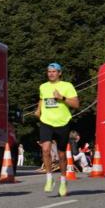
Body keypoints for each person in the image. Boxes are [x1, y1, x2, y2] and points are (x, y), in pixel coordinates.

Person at [35, 62, 79, 196]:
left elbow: (76, 104)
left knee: (61, 154)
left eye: (54, 71)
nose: (51, 74)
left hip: (62, 122)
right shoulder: (43, 86)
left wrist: (62, 98)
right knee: (45, 149)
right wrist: (38, 110)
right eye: (49, 71)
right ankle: (49, 178)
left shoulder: (67, 86)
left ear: (59, 73)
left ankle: (63, 180)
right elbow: (42, 99)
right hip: (46, 121)